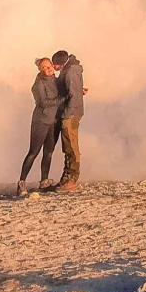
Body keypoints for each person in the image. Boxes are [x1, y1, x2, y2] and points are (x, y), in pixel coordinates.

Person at [16, 57, 62, 196]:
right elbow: (43, 102)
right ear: (40, 70)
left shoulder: (55, 80)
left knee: (48, 152)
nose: (48, 70)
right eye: (44, 68)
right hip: (40, 121)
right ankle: (21, 183)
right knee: (34, 152)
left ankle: (44, 181)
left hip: (53, 121)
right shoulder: (38, 84)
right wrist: (63, 99)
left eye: (49, 67)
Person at [50, 49, 85, 191]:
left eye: (54, 65)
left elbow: (74, 96)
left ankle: (72, 179)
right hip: (71, 112)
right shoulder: (71, 69)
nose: (54, 67)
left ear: (59, 63)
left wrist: (67, 114)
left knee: (71, 145)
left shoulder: (70, 72)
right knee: (67, 145)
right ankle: (66, 177)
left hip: (71, 113)